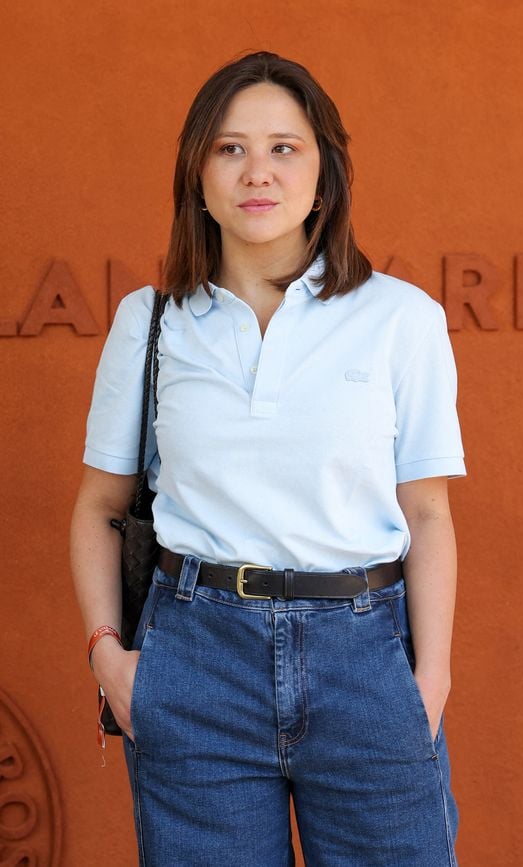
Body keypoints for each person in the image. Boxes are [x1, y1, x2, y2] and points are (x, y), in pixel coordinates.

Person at [70, 50, 466, 867]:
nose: (258, 171)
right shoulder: (151, 322)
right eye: (230, 148)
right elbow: (96, 506)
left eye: (284, 147)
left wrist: (429, 686)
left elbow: (427, 512)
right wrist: (109, 656)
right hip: (196, 663)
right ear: (198, 176)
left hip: (366, 660)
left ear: (324, 174)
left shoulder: (399, 319)